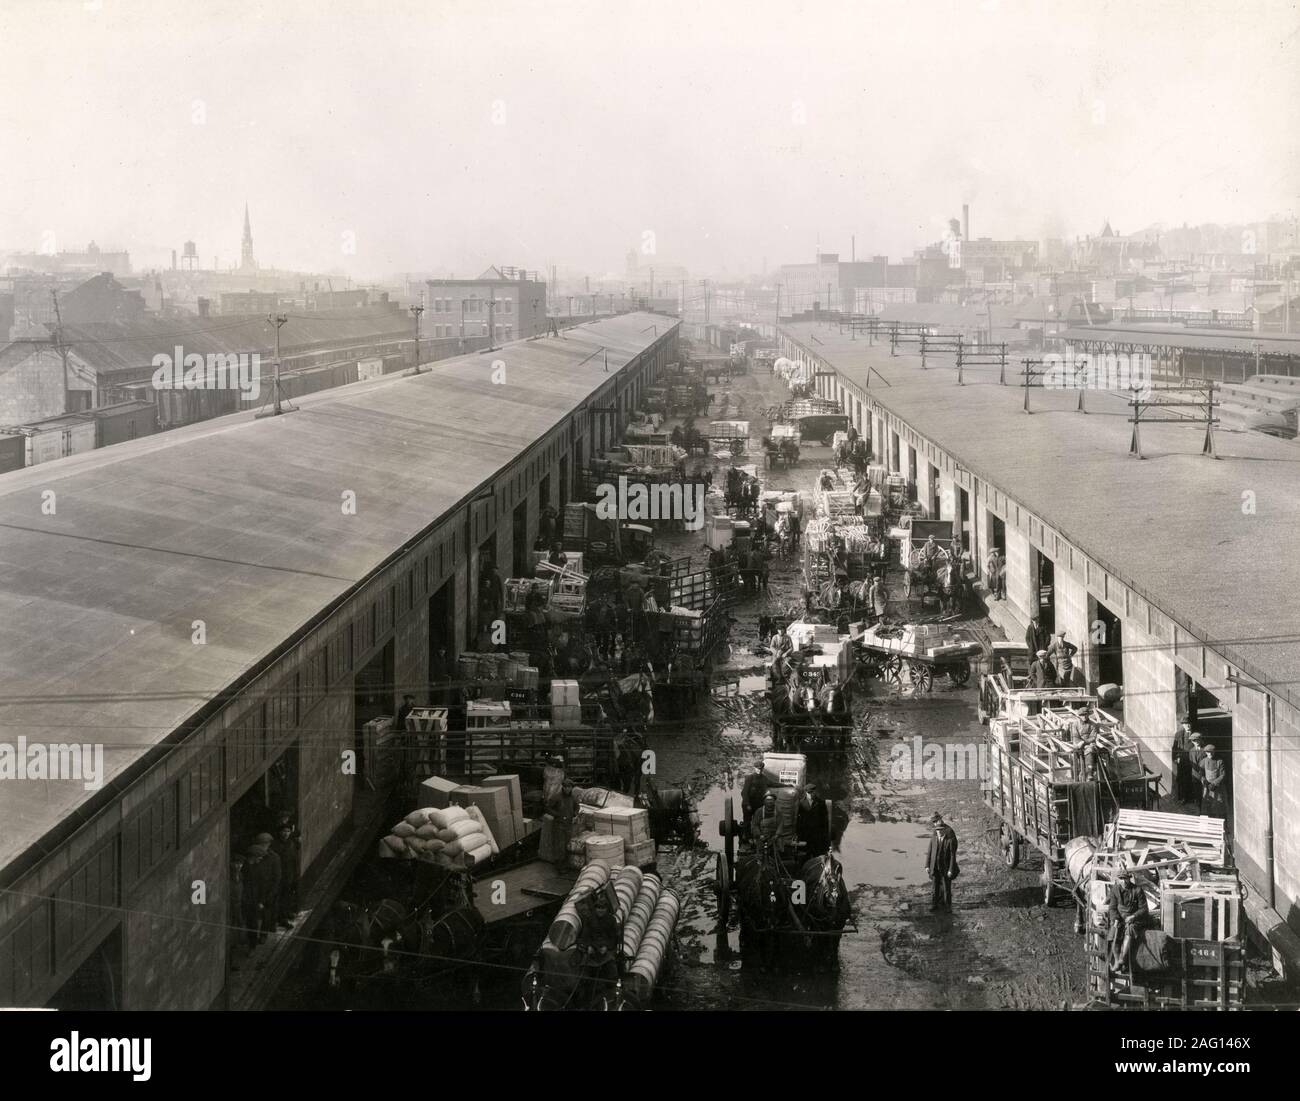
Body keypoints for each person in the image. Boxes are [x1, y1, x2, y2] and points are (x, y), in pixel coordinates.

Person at [242, 833, 282, 948]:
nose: (262, 846)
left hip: (268, 891)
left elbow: (277, 878)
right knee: (253, 917)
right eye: (260, 844)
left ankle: (263, 934)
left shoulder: (274, 858)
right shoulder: (254, 856)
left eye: (265, 844)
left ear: (269, 844)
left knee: (267, 914)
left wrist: (268, 895)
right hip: (256, 890)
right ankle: (252, 939)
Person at [1108, 867, 1150, 971]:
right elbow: (1112, 908)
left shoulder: (1137, 890)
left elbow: (1144, 909)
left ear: (1129, 879)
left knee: (1130, 930)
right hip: (1120, 918)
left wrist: (1133, 916)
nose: (1124, 881)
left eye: (1125, 878)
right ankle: (1117, 961)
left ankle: (1123, 958)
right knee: (1113, 934)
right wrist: (1116, 919)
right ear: (1118, 880)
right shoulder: (1114, 890)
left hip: (1134, 919)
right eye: (1121, 879)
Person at [925, 813, 960, 912]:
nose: (935, 824)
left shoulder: (949, 832)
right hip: (935, 866)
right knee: (935, 887)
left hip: (945, 865)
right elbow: (930, 850)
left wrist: (950, 868)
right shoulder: (935, 833)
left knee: (946, 888)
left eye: (936, 821)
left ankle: (947, 906)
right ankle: (935, 904)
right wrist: (927, 865)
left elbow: (953, 852)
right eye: (934, 822)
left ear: (940, 820)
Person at [270, 816, 301, 930]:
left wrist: (295, 875)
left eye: (288, 831)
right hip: (278, 877)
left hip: (289, 876)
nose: (286, 834)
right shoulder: (275, 846)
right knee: (277, 899)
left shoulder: (291, 844)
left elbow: (294, 860)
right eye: (284, 831)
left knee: (286, 897)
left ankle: (285, 914)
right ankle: (279, 919)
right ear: (279, 832)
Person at [541, 778, 578, 866]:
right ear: (563, 787)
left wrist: (575, 814)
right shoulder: (557, 797)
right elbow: (547, 807)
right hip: (559, 825)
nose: (567, 789)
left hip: (568, 825)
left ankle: (565, 863)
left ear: (572, 788)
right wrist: (557, 814)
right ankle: (560, 865)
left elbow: (577, 806)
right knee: (560, 846)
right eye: (566, 787)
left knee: (567, 845)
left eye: (569, 787)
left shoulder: (573, 798)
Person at [1199, 742, 1227, 816]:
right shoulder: (1204, 761)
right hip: (1207, 787)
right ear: (1206, 753)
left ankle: (1222, 824)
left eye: (1211, 752)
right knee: (1207, 805)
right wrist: (1203, 780)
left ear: (1214, 752)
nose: (1210, 754)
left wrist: (1214, 783)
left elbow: (1223, 775)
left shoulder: (1219, 761)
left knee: (1219, 806)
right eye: (1208, 752)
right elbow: (1201, 773)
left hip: (1217, 788)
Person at [1172, 720, 1196, 803]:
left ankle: (1192, 798)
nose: (1187, 725)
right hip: (1182, 760)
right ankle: (1183, 798)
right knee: (1182, 779)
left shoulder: (1195, 734)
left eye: (1189, 723)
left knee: (1192, 778)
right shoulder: (1178, 734)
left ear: (1191, 724)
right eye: (1185, 724)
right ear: (1183, 725)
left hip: (1193, 760)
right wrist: (1175, 758)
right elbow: (1174, 748)